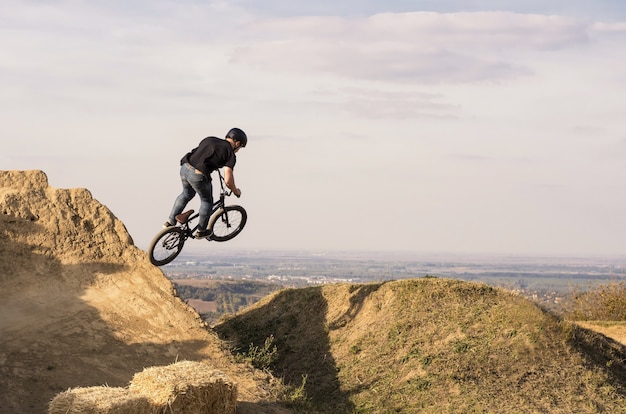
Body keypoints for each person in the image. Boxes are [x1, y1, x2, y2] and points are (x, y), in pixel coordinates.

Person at [164, 127, 247, 239]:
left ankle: (170, 221)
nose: (238, 150)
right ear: (237, 143)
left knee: (186, 194)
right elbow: (228, 180)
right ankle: (201, 231)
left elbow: (200, 154)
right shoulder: (230, 154)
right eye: (240, 147)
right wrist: (236, 191)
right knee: (207, 201)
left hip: (185, 168)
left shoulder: (210, 139)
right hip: (198, 175)